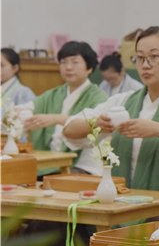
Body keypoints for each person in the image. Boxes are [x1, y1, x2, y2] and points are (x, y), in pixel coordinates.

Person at [63, 26, 159, 211]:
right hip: (122, 206)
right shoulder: (123, 101)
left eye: (154, 57)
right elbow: (69, 129)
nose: (145, 65)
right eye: (139, 58)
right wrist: (96, 124)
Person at [17, 41, 106, 175]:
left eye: (75, 62)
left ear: (89, 68)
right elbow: (24, 109)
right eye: (63, 62)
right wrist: (24, 117)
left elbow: (93, 124)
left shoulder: (99, 97)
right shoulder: (54, 94)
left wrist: (55, 119)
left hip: (82, 165)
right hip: (50, 161)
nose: (68, 67)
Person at [1, 48, 36, 141]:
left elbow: (25, 125)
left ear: (15, 68)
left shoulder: (24, 92)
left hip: (14, 144)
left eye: (1, 65)